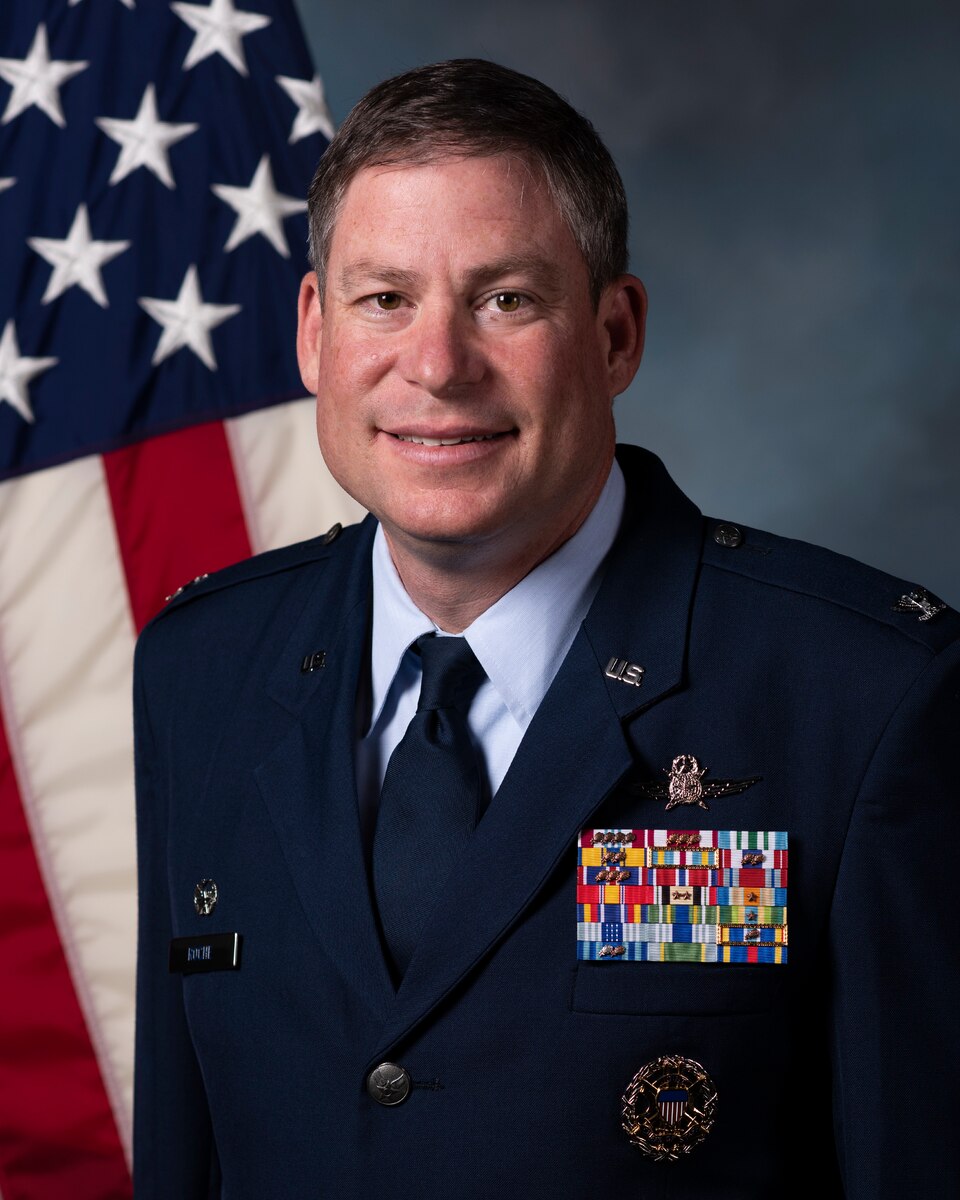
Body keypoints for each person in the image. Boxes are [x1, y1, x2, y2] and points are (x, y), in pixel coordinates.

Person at [133, 59, 960, 1199]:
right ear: (316, 333)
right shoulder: (202, 670)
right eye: (385, 299)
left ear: (615, 335)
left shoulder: (861, 695)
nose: (437, 365)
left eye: (505, 298)